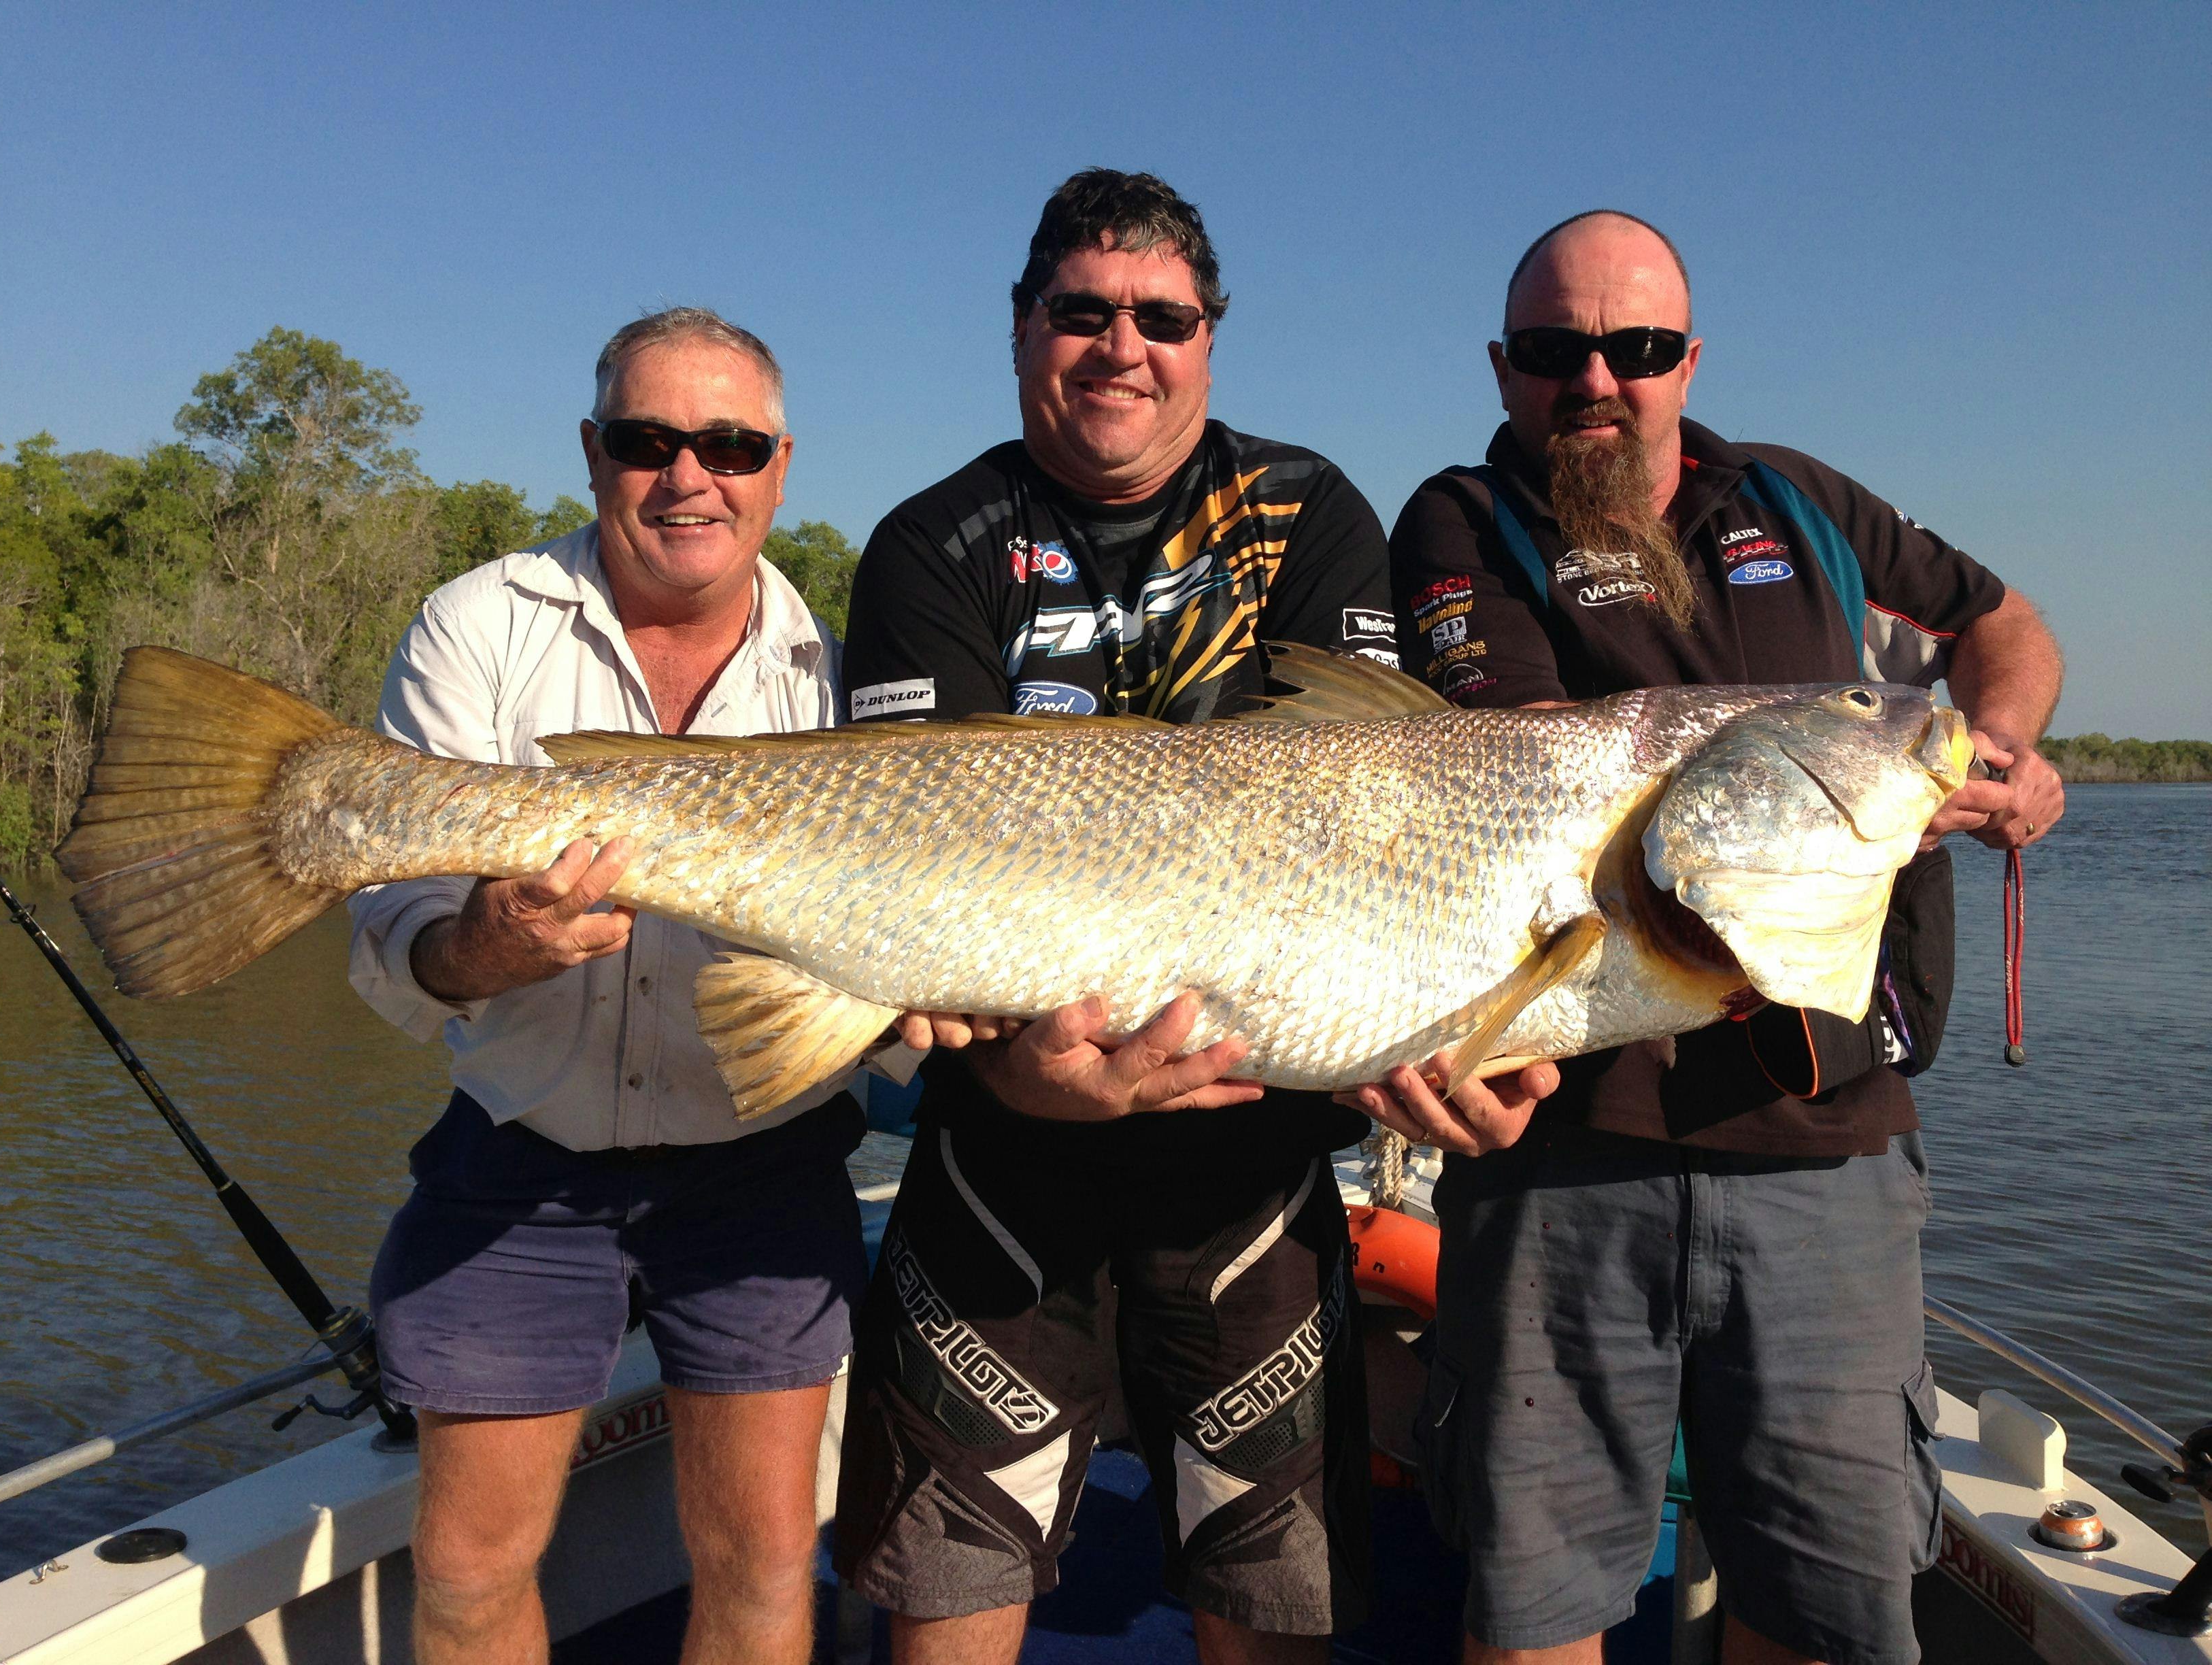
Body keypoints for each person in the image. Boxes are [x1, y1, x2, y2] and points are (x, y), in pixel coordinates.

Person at [830, 167, 1555, 1665]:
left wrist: (1445, 1036)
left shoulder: (1309, 514)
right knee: (940, 1623)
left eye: (1161, 317)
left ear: (1209, 338)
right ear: (1023, 328)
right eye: (1081, 312)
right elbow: (919, 871)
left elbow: (1373, 842)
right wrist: (1018, 1071)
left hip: (1252, 1191)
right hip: (996, 1183)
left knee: (1271, 1623)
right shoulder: (930, 543)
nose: (1121, 346)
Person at [1375, 209, 2066, 1665]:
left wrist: (1990, 747)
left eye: (1633, 349)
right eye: (1558, 351)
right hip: (1566, 1156)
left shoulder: (1806, 503)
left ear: (1687, 359)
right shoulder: (1460, 520)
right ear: (1505, 368)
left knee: (1824, 1610)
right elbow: (1529, 783)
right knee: (1532, 1603)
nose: (1596, 381)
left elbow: (2004, 625)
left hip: (1827, 1148)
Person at [347, 307, 868, 1665]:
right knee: (464, 1571)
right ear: (593, 452)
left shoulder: (850, 684)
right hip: (522, 1161)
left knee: (761, 1560)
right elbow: (396, 915)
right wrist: (481, 950)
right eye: (648, 440)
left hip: (764, 1159)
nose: (687, 474)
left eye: (730, 443)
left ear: (780, 464)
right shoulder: (478, 623)